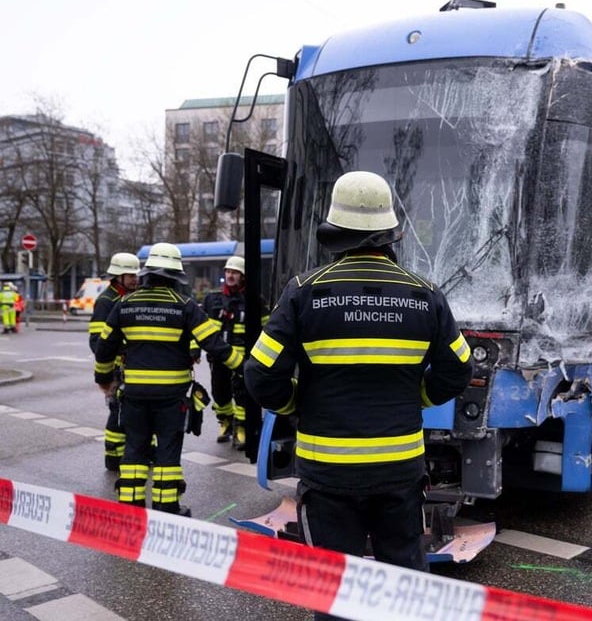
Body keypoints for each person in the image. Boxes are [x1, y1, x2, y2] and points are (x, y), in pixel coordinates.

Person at [244, 171, 473, 599]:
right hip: (400, 472)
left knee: (334, 592)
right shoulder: (425, 295)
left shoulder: (303, 293)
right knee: (404, 589)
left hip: (327, 476)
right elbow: (459, 369)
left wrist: (298, 404)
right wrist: (417, 397)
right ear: (390, 233)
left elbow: (259, 374)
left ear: (337, 232)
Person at [94, 242, 242, 516]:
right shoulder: (184, 306)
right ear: (175, 276)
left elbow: (104, 347)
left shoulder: (124, 304)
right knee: (167, 452)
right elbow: (214, 343)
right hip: (171, 397)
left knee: (135, 449)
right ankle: (166, 507)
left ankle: (131, 507)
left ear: (147, 273)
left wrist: (103, 378)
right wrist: (245, 367)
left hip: (135, 395)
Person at [201, 255, 267, 449]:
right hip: (220, 357)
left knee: (243, 395)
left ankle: (242, 429)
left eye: (235, 273)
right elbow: (202, 329)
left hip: (243, 358)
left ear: (243, 276)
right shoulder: (213, 300)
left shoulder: (255, 300)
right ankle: (226, 422)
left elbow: (267, 328)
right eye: (228, 272)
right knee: (219, 393)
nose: (230, 276)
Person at [88, 252, 140, 471]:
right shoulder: (106, 301)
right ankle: (113, 457)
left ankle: (134, 453)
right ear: (118, 276)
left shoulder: (131, 297)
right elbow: (97, 341)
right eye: (130, 276)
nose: (134, 279)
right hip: (117, 368)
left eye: (136, 275)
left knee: (133, 411)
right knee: (117, 411)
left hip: (133, 366)